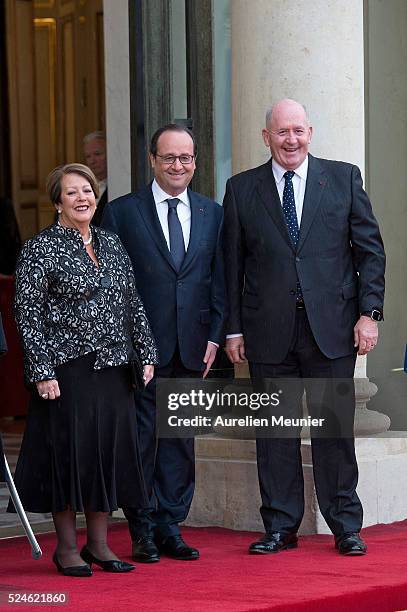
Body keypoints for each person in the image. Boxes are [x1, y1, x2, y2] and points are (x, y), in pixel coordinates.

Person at [223, 99, 385, 556]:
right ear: (266, 136)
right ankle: (280, 525)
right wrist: (233, 328)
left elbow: (369, 253)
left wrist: (368, 314)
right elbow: (231, 265)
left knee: (334, 431)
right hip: (267, 329)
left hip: (332, 328)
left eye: (298, 131)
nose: (290, 140)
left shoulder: (344, 177)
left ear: (310, 132)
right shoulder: (241, 189)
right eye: (281, 132)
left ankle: (345, 526)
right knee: (275, 432)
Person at [9, 163, 158, 576]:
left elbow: (132, 302)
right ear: (57, 202)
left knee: (104, 456)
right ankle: (67, 548)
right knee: (67, 457)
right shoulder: (40, 249)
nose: (83, 198)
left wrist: (145, 353)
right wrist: (41, 369)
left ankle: (99, 545)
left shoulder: (111, 243)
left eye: (88, 191)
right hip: (66, 372)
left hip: (114, 369)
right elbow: (27, 312)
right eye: (72, 192)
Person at [102, 124, 226, 562]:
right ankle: (141, 528)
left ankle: (171, 526)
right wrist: (126, 344)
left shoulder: (212, 213)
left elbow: (218, 281)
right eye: (170, 158)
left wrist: (215, 336)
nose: (179, 166)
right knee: (140, 440)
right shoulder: (121, 213)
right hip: (141, 352)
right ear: (152, 160)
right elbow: (110, 286)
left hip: (192, 348)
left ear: (196, 162)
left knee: (179, 440)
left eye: (186, 158)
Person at [83, 132, 108, 226]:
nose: (92, 161)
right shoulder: (81, 186)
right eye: (88, 156)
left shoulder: (118, 184)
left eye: (97, 154)